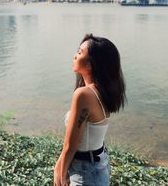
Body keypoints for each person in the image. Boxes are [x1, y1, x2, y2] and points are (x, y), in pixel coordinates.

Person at [54, 33, 126, 186]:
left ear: (90, 64)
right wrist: (60, 164)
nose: (74, 56)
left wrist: (60, 173)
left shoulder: (84, 94)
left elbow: (71, 145)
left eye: (79, 53)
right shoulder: (102, 91)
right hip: (97, 165)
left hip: (85, 172)